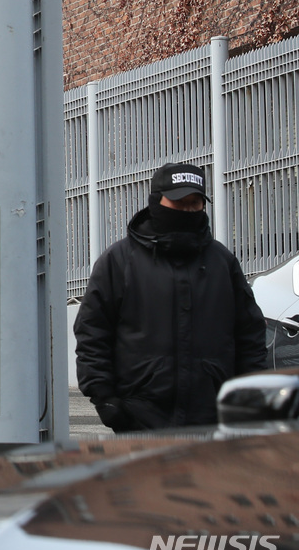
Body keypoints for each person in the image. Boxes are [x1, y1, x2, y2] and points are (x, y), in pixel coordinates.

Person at [74, 162, 266, 432]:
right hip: (139, 415)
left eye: (195, 203)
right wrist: (104, 398)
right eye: (179, 203)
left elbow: (250, 333)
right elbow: (93, 333)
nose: (188, 210)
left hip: (212, 416)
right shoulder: (118, 261)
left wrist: (250, 394)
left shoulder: (222, 262)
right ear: (156, 201)